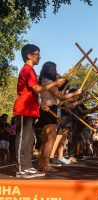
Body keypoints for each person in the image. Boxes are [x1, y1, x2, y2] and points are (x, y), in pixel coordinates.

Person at [13, 44, 64, 178]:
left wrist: (41, 104)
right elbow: (36, 89)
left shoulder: (31, 71)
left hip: (31, 108)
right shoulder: (27, 69)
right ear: (29, 55)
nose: (39, 56)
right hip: (24, 107)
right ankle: (21, 169)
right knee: (24, 138)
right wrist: (55, 83)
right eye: (37, 54)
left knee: (30, 139)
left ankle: (28, 166)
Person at [38, 62, 82, 171]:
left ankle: (41, 163)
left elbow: (58, 96)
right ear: (51, 70)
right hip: (49, 109)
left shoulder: (44, 80)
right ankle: (46, 164)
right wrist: (75, 93)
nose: (56, 71)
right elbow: (61, 96)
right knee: (51, 139)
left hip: (45, 109)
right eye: (55, 69)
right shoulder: (48, 82)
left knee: (46, 139)